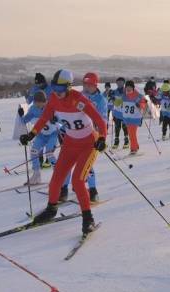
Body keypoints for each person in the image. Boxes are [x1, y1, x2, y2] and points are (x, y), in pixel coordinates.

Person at [20, 69, 107, 234]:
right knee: (56, 179)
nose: (57, 93)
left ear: (68, 87)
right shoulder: (52, 98)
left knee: (78, 181)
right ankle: (51, 209)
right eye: (54, 89)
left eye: (61, 90)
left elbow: (99, 120)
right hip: (69, 144)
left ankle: (88, 218)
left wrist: (102, 138)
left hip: (88, 145)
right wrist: (31, 134)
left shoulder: (79, 100)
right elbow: (44, 117)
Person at [58, 72, 108, 202]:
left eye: (90, 84)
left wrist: (101, 137)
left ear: (95, 85)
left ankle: (93, 190)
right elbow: (68, 114)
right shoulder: (77, 96)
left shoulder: (101, 100)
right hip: (73, 135)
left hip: (91, 136)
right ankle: (64, 190)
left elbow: (103, 120)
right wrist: (62, 129)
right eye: (85, 84)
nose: (87, 87)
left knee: (87, 165)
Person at [18, 91, 58, 185]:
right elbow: (25, 121)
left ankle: (58, 175)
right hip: (41, 135)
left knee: (49, 153)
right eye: (36, 103)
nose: (39, 105)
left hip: (52, 134)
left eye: (41, 102)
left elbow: (60, 119)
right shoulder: (33, 109)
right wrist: (21, 115)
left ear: (45, 101)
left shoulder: (51, 107)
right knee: (33, 151)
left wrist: (55, 119)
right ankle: (36, 175)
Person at [121, 80, 147, 155]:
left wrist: (140, 105)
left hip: (135, 118)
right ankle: (136, 146)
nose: (128, 89)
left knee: (132, 134)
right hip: (127, 118)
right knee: (130, 134)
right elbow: (118, 103)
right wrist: (113, 100)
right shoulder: (124, 96)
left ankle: (133, 149)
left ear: (133, 88)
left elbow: (143, 103)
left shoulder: (138, 96)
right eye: (127, 87)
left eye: (129, 87)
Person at [111, 77, 129, 149]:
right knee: (117, 127)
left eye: (121, 82)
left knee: (125, 127)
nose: (119, 84)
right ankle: (116, 142)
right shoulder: (114, 91)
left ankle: (126, 141)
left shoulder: (127, 91)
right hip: (117, 113)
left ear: (124, 83)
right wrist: (111, 97)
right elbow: (112, 100)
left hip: (125, 113)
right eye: (118, 83)